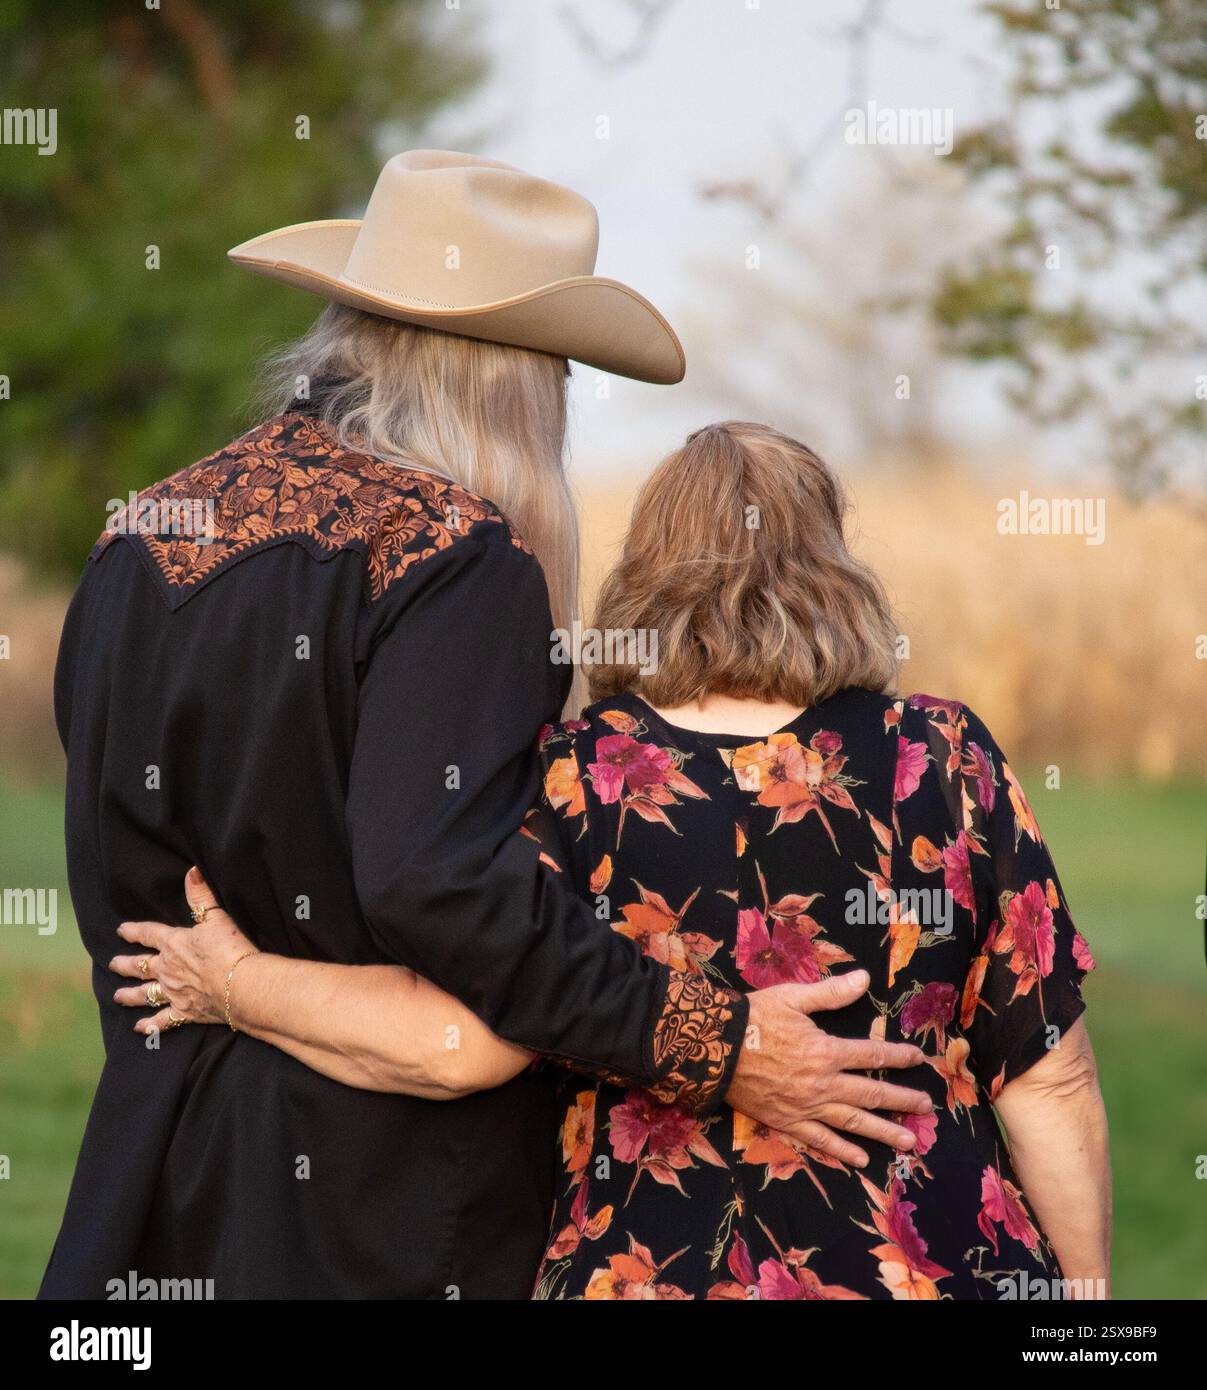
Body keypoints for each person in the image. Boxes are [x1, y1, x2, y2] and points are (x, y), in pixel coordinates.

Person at [44, 152, 930, 1300]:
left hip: (153, 1184)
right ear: (513, 386)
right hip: (382, 1219)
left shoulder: (142, 541)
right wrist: (717, 1041)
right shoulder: (453, 560)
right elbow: (437, 885)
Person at [115, 422, 1110, 1300]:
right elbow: (1048, 1082)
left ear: (646, 567)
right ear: (835, 567)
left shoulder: (571, 779)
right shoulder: (948, 758)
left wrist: (239, 984)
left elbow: (456, 1047)